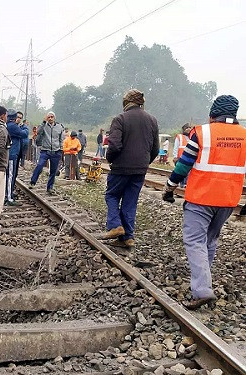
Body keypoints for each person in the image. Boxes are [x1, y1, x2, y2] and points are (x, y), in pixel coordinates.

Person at [162, 95, 246, 310]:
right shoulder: (244, 136)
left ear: (212, 114)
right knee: (209, 241)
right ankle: (203, 284)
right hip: (228, 200)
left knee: (194, 241)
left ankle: (202, 290)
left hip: (201, 198)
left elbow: (184, 165)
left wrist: (170, 187)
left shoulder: (202, 132)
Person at [101, 89, 159, 248]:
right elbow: (155, 148)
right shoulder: (152, 120)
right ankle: (128, 237)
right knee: (130, 202)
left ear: (126, 102)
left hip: (121, 168)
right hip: (140, 170)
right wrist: (144, 163)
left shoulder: (120, 119)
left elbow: (114, 145)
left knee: (111, 195)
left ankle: (115, 226)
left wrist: (111, 160)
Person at [29, 111, 65, 194]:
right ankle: (32, 182)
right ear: (46, 118)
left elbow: (61, 139)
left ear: (54, 118)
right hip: (45, 150)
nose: (50, 118)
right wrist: (43, 122)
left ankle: (50, 187)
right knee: (40, 165)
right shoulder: (44, 126)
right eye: (49, 117)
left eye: (52, 117)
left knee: (53, 170)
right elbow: (38, 132)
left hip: (56, 151)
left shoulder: (59, 127)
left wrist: (60, 149)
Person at [5, 110, 28, 205]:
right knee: (10, 176)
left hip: (9, 153)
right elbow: (24, 134)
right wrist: (25, 127)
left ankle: (7, 194)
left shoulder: (7, 125)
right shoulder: (12, 126)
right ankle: (9, 198)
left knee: (8, 175)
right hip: (11, 154)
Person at [173, 123, 192, 187]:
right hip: (180, 158)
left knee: (188, 172)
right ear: (184, 130)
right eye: (187, 128)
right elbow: (176, 147)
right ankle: (182, 184)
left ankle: (185, 184)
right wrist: (175, 156)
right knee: (182, 171)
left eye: (190, 128)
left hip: (189, 158)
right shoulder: (179, 137)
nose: (189, 129)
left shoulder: (191, 137)